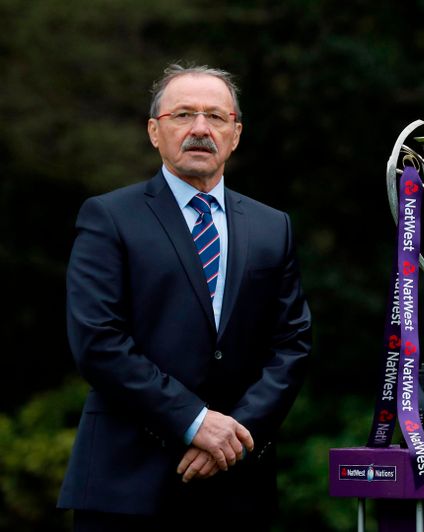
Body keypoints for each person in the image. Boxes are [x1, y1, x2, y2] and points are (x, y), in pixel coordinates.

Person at [58, 64, 312, 531]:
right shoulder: (108, 218)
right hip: (127, 486)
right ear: (155, 131)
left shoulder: (272, 227)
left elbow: (290, 345)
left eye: (215, 117)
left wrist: (233, 434)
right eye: (183, 115)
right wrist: (195, 421)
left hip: (237, 487)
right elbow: (98, 341)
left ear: (235, 134)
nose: (200, 128)